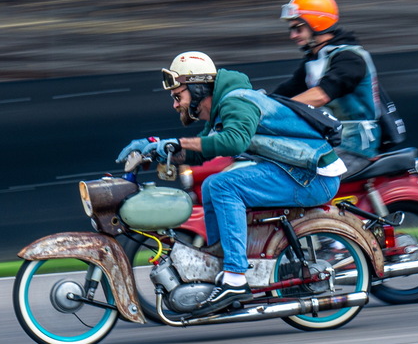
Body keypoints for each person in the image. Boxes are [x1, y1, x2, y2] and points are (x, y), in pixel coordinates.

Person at [117, 51, 346, 316]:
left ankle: (235, 279)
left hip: (313, 177)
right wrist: (156, 147)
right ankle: (220, 265)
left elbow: (234, 142)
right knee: (211, 185)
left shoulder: (237, 102)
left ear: (198, 88)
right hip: (296, 172)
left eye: (178, 96)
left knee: (225, 185)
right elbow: (200, 151)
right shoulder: (223, 108)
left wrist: (176, 143)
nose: (175, 105)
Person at [273, 0, 383, 173]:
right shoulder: (315, 60)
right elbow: (284, 92)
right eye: (291, 29)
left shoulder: (350, 58)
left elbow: (321, 95)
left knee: (294, 180)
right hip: (330, 143)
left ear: (317, 23)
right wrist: (253, 102)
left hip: (354, 148)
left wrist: (274, 111)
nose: (293, 35)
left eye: (298, 28)